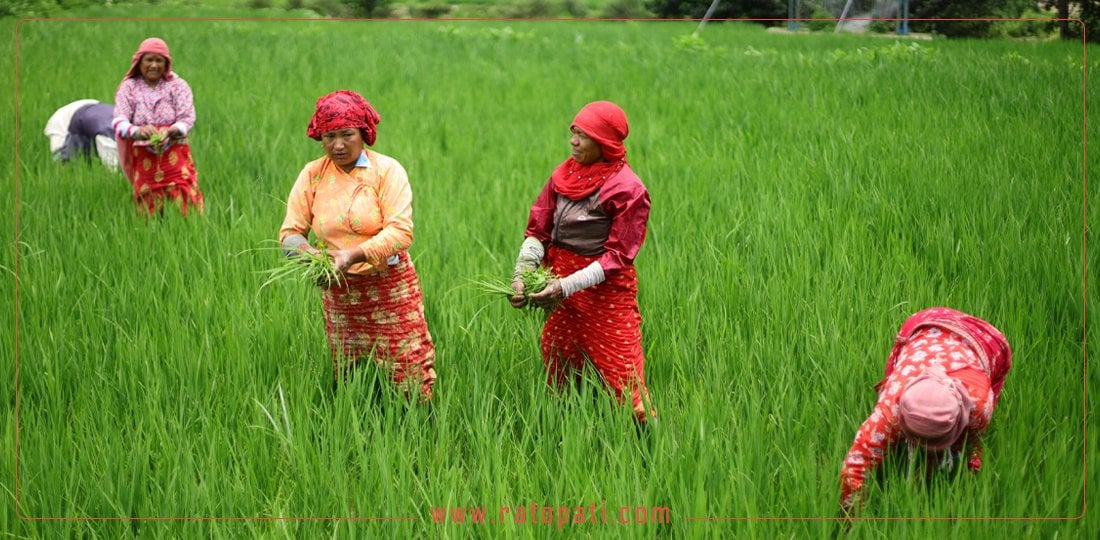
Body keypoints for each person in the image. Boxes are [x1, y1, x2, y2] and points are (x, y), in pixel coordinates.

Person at [279, 90, 436, 401]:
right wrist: (311, 256)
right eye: (329, 136)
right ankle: (355, 428)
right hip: (340, 291)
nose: (338, 145)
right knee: (350, 375)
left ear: (363, 133)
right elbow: (289, 234)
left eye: (347, 135)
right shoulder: (313, 175)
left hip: (389, 287)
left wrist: (352, 255)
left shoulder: (386, 171)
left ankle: (424, 430)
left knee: (410, 370)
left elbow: (401, 232)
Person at [509, 101, 655, 424]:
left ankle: (653, 451)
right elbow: (538, 230)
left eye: (583, 136)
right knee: (559, 362)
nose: (573, 141)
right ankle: (564, 433)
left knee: (623, 378)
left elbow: (617, 257)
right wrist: (522, 273)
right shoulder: (563, 176)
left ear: (604, 143)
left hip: (604, 295)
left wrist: (566, 285)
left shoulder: (628, 190)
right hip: (560, 289)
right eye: (573, 133)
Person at [839, 307, 1012, 514]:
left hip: (982, 341)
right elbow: (856, 465)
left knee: (955, 452)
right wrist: (849, 519)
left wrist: (971, 463)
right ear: (901, 418)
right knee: (888, 440)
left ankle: (933, 471)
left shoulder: (979, 406)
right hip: (924, 326)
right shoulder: (893, 401)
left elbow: (973, 441)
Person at [112, 37, 204, 216]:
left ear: (166, 63)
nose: (153, 65)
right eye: (149, 59)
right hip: (144, 156)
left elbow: (187, 118)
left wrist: (170, 131)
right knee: (147, 202)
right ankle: (152, 235)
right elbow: (118, 120)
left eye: (159, 60)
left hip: (174, 153)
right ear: (139, 62)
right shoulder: (129, 88)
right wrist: (137, 131)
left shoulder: (177, 86)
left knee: (184, 195)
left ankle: (189, 229)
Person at [44, 99, 119, 171]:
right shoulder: (108, 135)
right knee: (65, 165)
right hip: (64, 122)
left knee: (91, 163)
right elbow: (112, 169)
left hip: (92, 111)